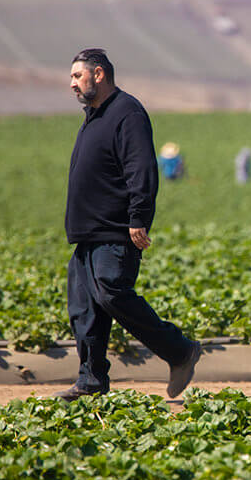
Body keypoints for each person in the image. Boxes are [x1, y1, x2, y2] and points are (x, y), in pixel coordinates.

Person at [55, 48, 201, 402]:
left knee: (111, 291)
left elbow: (141, 170)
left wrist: (138, 218)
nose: (72, 83)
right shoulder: (94, 115)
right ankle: (90, 381)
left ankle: (180, 350)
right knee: (84, 308)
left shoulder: (127, 112)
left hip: (115, 229)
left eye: (78, 76)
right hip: (88, 232)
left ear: (99, 74)